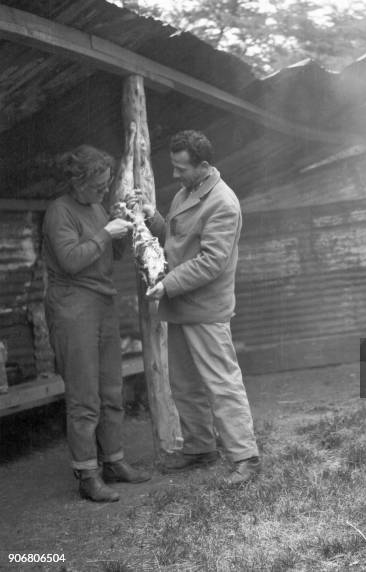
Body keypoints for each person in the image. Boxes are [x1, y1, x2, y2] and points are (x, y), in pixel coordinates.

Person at [134, 130, 260, 485]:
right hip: (182, 306)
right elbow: (177, 242)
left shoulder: (223, 203)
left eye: (181, 168)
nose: (175, 175)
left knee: (221, 383)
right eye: (174, 167)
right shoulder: (186, 193)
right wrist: (153, 217)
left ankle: (245, 457)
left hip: (205, 307)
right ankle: (200, 447)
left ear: (203, 166)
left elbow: (211, 261)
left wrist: (166, 284)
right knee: (185, 384)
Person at [43, 145, 151, 503]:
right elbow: (72, 260)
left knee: (111, 390)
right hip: (73, 307)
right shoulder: (59, 212)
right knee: (84, 397)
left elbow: (110, 253)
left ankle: (114, 461)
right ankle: (87, 473)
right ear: (79, 181)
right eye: (99, 185)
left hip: (102, 303)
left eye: (107, 185)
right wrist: (106, 232)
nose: (104, 191)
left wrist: (124, 221)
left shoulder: (96, 206)